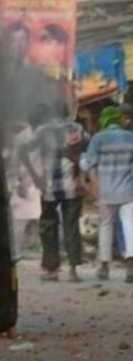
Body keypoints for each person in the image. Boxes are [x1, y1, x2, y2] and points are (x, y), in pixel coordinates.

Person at [20, 101, 87, 282]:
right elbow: (86, 149)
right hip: (73, 185)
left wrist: (35, 175)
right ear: (67, 113)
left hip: (48, 186)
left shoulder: (43, 131)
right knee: (71, 226)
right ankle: (73, 270)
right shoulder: (77, 129)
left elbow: (23, 150)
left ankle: (52, 269)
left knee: (48, 226)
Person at [80, 106, 133, 283]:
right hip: (128, 190)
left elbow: (88, 165)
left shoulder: (98, 138)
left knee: (105, 226)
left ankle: (104, 266)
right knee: (129, 225)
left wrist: (95, 190)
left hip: (105, 191)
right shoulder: (130, 137)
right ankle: (130, 267)